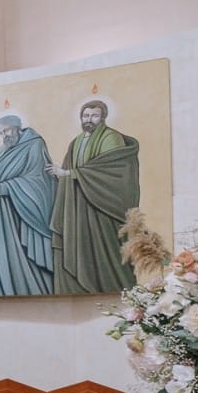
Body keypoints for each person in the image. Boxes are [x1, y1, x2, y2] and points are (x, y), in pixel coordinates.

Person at [49, 100, 140, 294]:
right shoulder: (77, 142)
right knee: (80, 249)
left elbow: (109, 170)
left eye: (94, 115)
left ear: (103, 117)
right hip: (79, 208)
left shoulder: (111, 138)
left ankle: (117, 290)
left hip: (102, 209)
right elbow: (69, 168)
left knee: (107, 253)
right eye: (85, 116)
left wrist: (69, 174)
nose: (89, 119)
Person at [0, 114, 57, 297]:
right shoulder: (4, 149)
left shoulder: (34, 145)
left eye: (6, 130)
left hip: (25, 215)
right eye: (1, 132)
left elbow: (37, 180)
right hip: (4, 217)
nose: (4, 135)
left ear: (17, 128)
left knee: (28, 262)